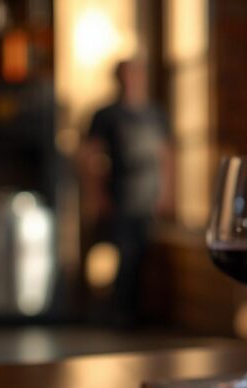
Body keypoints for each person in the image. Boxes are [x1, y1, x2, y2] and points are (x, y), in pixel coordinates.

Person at [78, 58, 174, 325]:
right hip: (120, 197)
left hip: (149, 198)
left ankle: (140, 313)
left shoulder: (155, 114)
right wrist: (96, 196)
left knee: (144, 256)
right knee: (122, 255)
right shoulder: (106, 115)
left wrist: (167, 193)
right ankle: (119, 313)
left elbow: (167, 156)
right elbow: (88, 156)